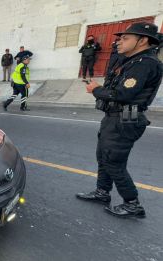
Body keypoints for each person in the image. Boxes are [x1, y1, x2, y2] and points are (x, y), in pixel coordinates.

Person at [78, 22, 163, 218]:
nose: (119, 42)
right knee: (104, 157)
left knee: (114, 162)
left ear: (142, 41)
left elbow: (123, 94)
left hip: (126, 117)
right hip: (115, 116)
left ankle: (132, 204)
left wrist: (96, 90)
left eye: (125, 38)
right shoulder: (131, 60)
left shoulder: (146, 63)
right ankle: (102, 192)